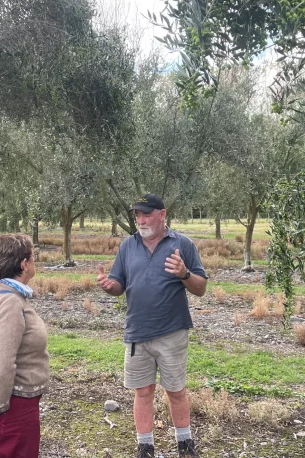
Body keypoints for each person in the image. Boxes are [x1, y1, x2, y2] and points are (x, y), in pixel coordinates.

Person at [97, 193, 207, 458]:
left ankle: (185, 446)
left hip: (172, 332)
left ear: (162, 214)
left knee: (176, 391)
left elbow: (201, 288)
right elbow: (119, 284)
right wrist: (110, 287)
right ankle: (145, 448)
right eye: (137, 214)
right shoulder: (127, 246)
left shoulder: (182, 244)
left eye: (146, 214)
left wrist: (184, 274)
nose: (141, 219)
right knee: (143, 392)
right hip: (137, 332)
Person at [0, 233, 49, 458]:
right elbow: (2, 364)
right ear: (24, 264)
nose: (34, 261)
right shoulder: (9, 303)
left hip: (8, 407)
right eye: (32, 257)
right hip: (12, 409)